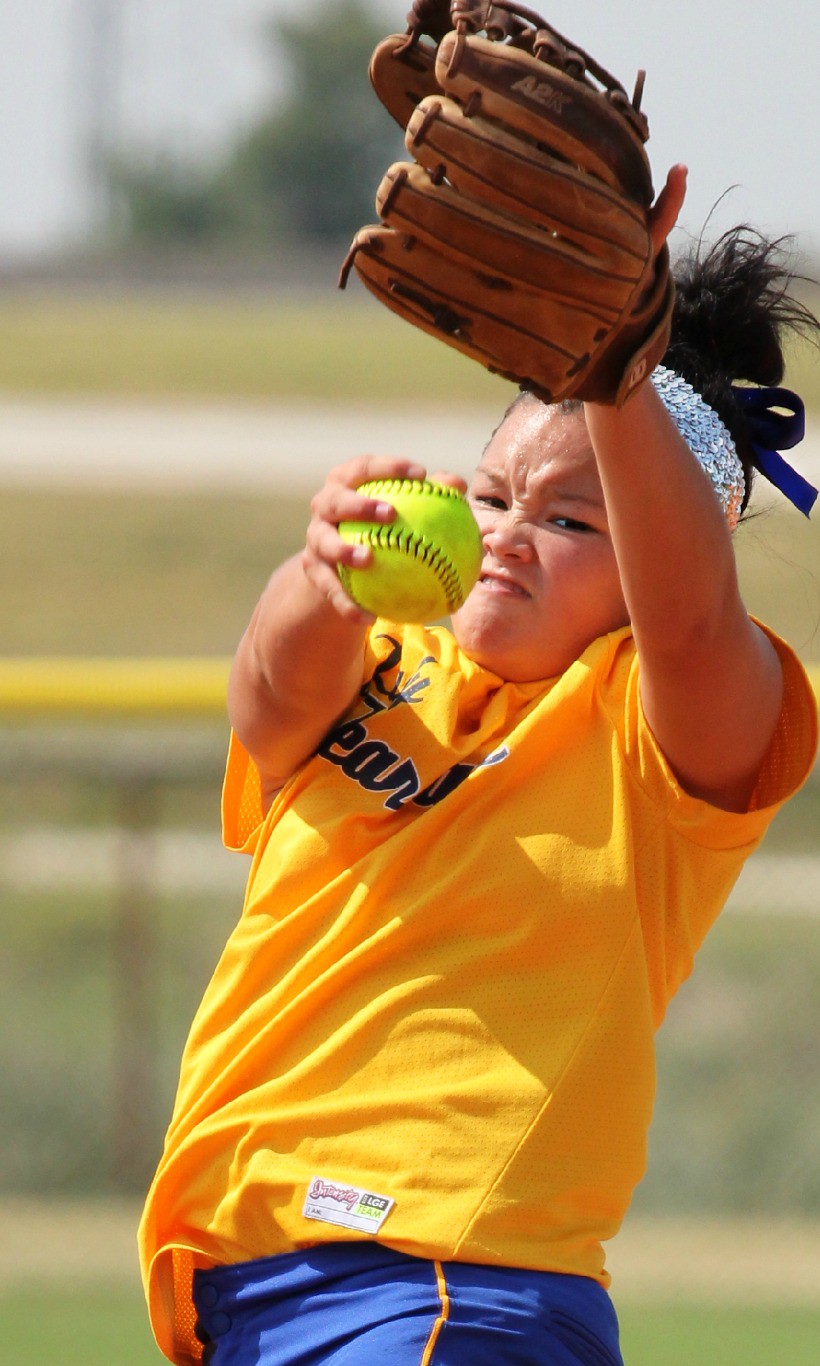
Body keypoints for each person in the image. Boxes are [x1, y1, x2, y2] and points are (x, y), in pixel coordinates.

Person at [139, 167, 819, 1365]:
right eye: (496, 492)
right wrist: (321, 573)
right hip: (241, 1286)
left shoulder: (652, 733)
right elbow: (263, 700)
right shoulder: (389, 657)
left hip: (443, 1287)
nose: (507, 531)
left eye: (570, 521)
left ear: (659, 559)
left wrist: (618, 367)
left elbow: (693, 620)